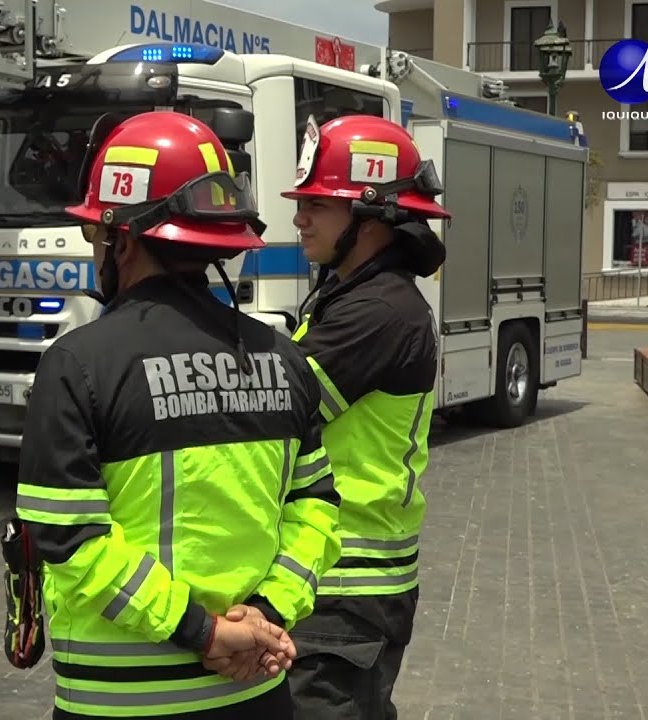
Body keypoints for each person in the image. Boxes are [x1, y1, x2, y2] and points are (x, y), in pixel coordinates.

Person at [14, 110, 344, 720]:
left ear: (123, 237)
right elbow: (318, 507)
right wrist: (266, 614)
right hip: (254, 688)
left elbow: (69, 537)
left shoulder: (76, 364)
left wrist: (204, 633)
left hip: (119, 700)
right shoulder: (284, 360)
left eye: (96, 236)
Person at [263, 113, 448, 719]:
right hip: (338, 583)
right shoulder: (354, 295)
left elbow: (274, 412)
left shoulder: (380, 312)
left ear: (372, 214)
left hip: (346, 588)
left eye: (319, 203)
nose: (300, 217)